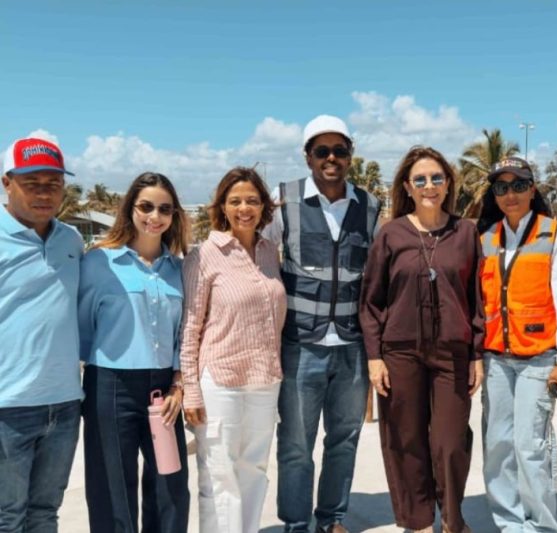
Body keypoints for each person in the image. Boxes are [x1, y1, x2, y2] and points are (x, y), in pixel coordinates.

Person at [264, 115, 380, 533]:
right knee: (296, 445)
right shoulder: (283, 201)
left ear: (350, 155)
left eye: (340, 150)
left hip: (351, 348)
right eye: (322, 151)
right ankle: (296, 523)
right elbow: (256, 258)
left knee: (344, 439)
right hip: (300, 345)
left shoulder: (369, 207)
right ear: (308, 156)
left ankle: (332, 518)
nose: (331, 158)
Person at [360, 146, 484, 533]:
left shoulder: (465, 232)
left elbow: (476, 297)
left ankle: (451, 519)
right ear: (408, 187)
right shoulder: (390, 234)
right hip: (400, 352)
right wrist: (374, 356)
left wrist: (476, 354)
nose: (429, 186)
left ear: (448, 184)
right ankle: (417, 522)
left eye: (436, 178)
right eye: (420, 179)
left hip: (452, 353)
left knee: (449, 442)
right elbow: (371, 299)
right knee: (406, 439)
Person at [79, 172, 190, 532]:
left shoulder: (180, 270)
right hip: (111, 386)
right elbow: (82, 327)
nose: (154, 216)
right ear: (130, 209)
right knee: (112, 488)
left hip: (164, 391)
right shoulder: (99, 263)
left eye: (164, 208)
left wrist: (179, 384)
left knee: (169, 485)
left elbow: (184, 334)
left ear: (174, 215)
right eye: (145, 206)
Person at [476, 157, 557, 533]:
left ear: (532, 190)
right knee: (497, 445)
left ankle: (542, 526)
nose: (510, 195)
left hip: (539, 357)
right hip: (496, 360)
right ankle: (509, 523)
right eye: (501, 188)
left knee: (530, 446)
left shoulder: (555, 234)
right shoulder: (486, 240)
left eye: (518, 185)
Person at [181, 167, 286, 533]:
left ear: (264, 207)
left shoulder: (270, 251)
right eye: (236, 201)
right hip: (220, 380)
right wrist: (191, 388)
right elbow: (191, 327)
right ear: (222, 206)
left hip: (265, 379)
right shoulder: (205, 254)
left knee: (254, 470)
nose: (245, 208)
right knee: (219, 476)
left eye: (252, 200)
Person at [0, 137, 84, 531]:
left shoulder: (72, 239)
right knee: (7, 516)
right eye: (31, 182)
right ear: (7, 183)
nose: (44, 193)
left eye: (53, 183)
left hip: (65, 404)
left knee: (45, 512)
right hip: (7, 407)